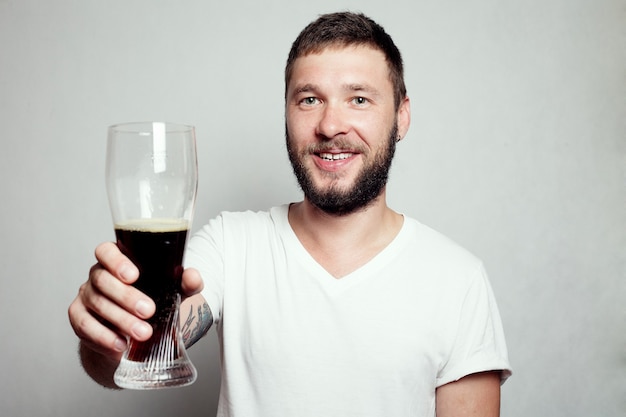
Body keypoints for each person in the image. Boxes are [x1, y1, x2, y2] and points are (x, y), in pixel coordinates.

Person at [69, 11, 511, 417]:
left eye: (358, 99)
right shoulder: (232, 244)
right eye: (308, 100)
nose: (330, 125)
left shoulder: (458, 280)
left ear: (401, 117)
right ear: (286, 114)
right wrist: (109, 332)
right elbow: (137, 351)